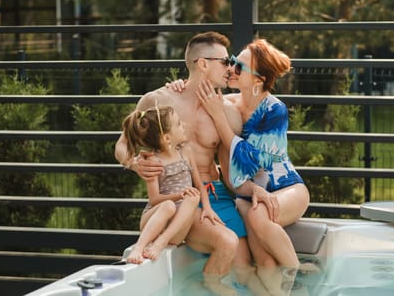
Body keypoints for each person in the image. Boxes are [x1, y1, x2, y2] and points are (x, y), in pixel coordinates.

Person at [115, 32, 254, 295]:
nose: (231, 68)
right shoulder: (159, 101)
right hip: (180, 197)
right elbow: (122, 143)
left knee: (245, 270)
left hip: (216, 194)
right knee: (226, 243)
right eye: (226, 62)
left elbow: (234, 165)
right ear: (203, 64)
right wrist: (133, 163)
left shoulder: (229, 111)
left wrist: (253, 193)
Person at [196, 38, 311, 294]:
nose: (231, 69)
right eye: (233, 62)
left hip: (287, 190)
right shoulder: (227, 104)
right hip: (250, 196)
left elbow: (250, 159)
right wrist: (179, 84)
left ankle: (296, 272)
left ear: (258, 80)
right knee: (265, 262)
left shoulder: (275, 110)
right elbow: (194, 86)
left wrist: (218, 117)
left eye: (240, 67)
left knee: (258, 213)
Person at [121, 104, 218, 265]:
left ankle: (162, 242)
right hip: (156, 221)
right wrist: (178, 195)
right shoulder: (153, 162)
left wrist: (207, 208)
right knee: (168, 206)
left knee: (193, 197)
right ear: (167, 138)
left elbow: (200, 185)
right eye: (179, 124)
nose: (184, 125)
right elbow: (154, 200)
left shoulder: (186, 152)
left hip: (176, 230)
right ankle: (140, 247)